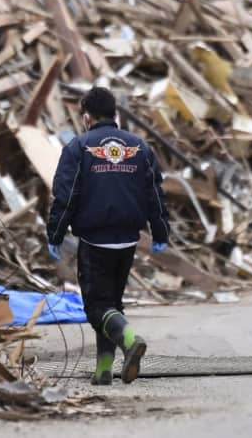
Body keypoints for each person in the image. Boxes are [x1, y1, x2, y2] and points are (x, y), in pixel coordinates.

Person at [46, 87, 170, 385]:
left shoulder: (79, 147)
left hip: (94, 240)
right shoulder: (139, 147)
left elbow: (66, 195)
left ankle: (129, 340)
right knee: (112, 303)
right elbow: (154, 193)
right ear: (114, 114)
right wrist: (160, 229)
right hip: (128, 238)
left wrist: (55, 233)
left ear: (87, 116)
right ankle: (104, 370)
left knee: (96, 307)